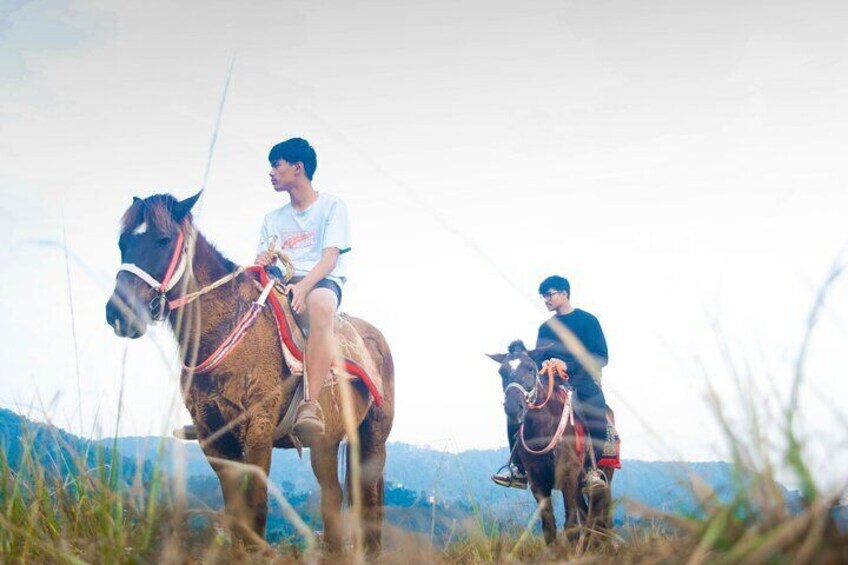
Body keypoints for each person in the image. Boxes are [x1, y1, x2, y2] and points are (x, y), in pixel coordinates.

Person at [255, 137, 350, 443]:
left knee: (321, 304)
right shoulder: (272, 219)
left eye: (276, 165)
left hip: (320, 280)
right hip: (281, 282)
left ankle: (310, 404)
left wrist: (304, 287)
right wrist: (263, 262)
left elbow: (330, 258)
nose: (271, 172)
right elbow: (262, 262)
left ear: (298, 168)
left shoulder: (332, 206)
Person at [492, 275, 610, 492]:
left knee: (597, 408)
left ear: (564, 294)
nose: (545, 300)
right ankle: (518, 468)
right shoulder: (545, 328)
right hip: (549, 382)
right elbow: (536, 360)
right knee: (515, 406)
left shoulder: (588, 321)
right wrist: (542, 363)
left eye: (549, 294)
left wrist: (566, 365)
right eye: (543, 296)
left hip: (582, 381)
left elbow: (601, 357)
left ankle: (592, 470)